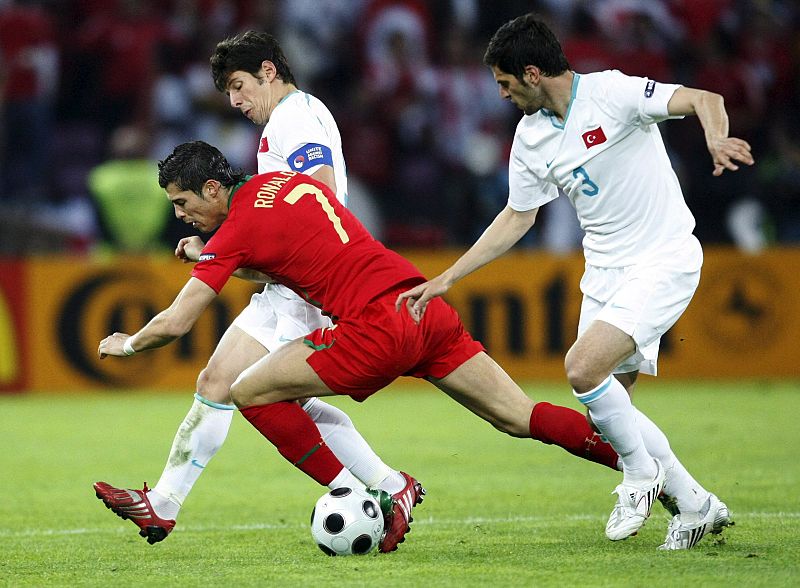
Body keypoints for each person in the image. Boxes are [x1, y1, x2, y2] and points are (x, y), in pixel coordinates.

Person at [98, 141, 626, 552]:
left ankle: (359, 490)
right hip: (420, 305)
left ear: (214, 189)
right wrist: (214, 251)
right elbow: (287, 256)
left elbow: (176, 323)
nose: (180, 215)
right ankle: (647, 468)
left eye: (183, 203)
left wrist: (127, 344)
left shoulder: (236, 227)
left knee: (249, 390)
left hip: (372, 329)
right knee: (521, 415)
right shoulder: (282, 183)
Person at [396, 13, 753, 550]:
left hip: (663, 257)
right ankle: (696, 506)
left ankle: (639, 476)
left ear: (533, 72)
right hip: (604, 272)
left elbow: (707, 99)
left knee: (582, 369)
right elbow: (518, 216)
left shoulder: (614, 93)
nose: (501, 94)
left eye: (505, 82)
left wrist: (716, 141)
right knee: (614, 412)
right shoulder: (531, 137)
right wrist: (448, 277)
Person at [93, 31, 420, 553]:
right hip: (285, 286)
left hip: (309, 284)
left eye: (239, 86)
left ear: (269, 71)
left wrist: (230, 253)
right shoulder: (278, 127)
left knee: (268, 393)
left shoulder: (298, 117)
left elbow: (320, 191)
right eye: (227, 93)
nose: (234, 102)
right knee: (222, 381)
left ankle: (381, 488)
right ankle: (165, 504)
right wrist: (222, 250)